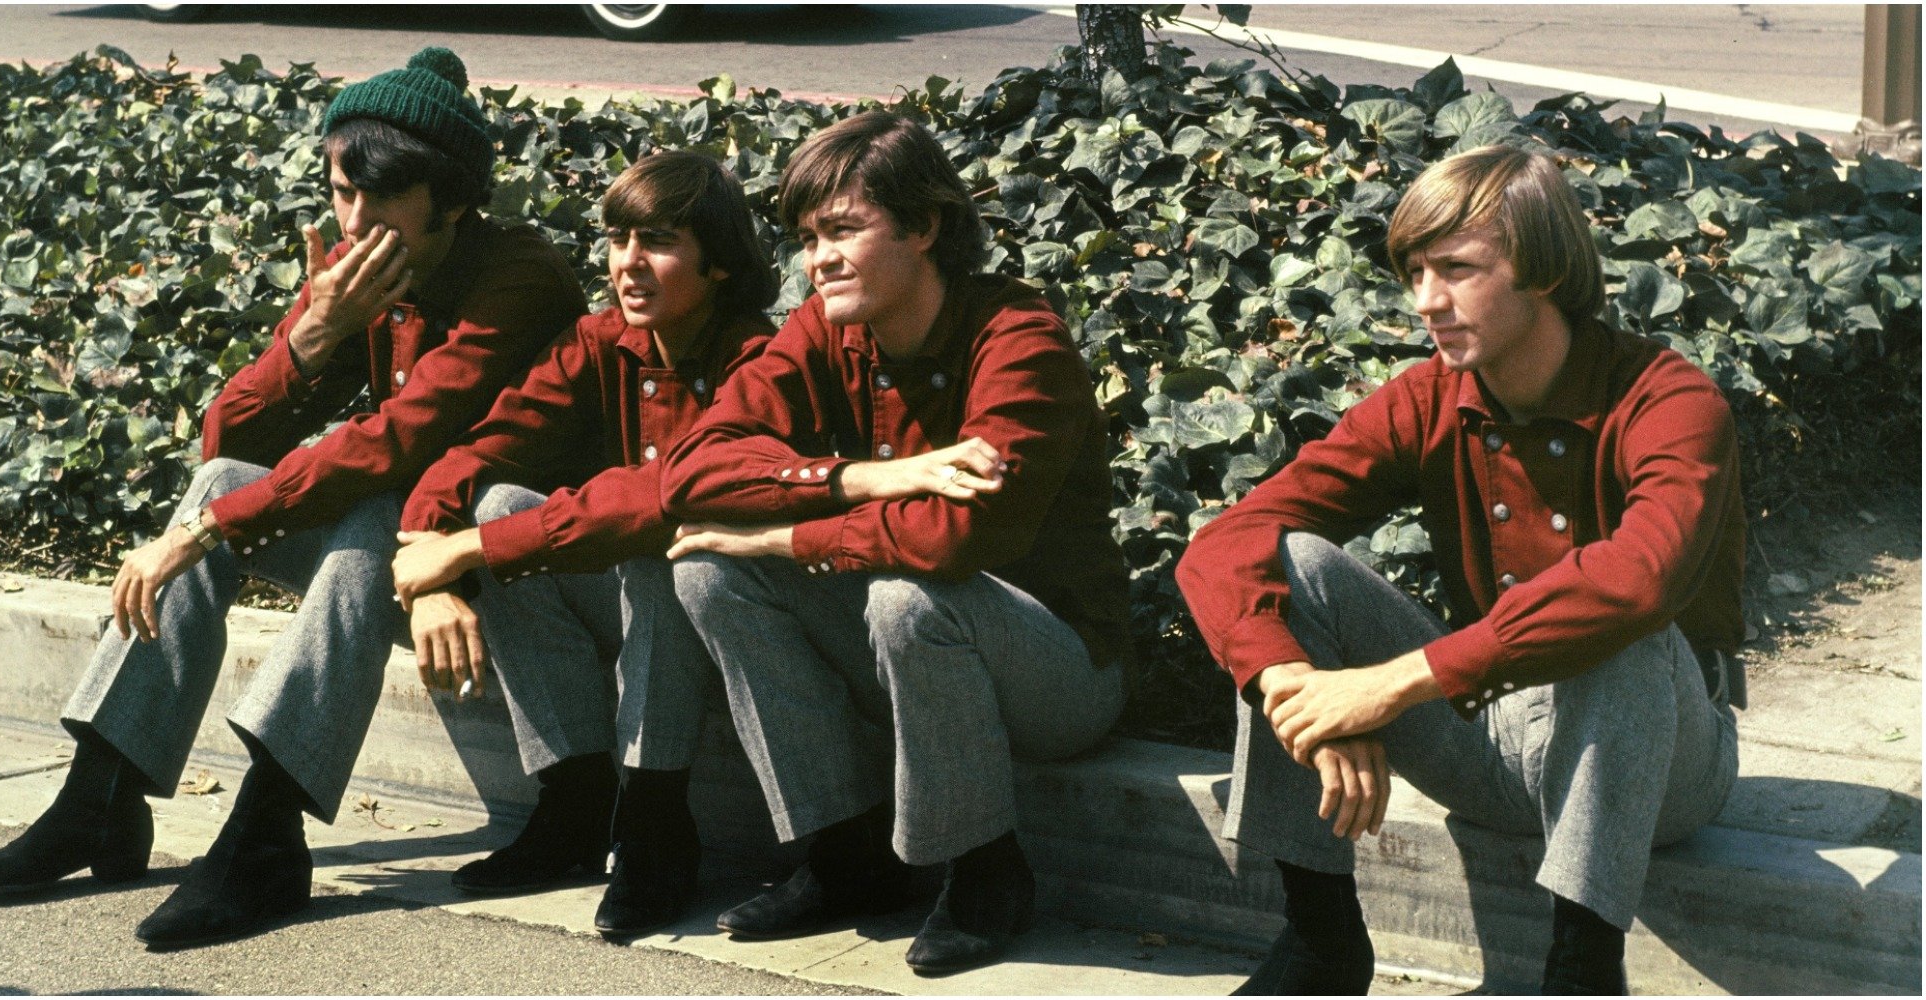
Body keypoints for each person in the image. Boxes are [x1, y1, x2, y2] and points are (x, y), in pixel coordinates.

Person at [0, 47, 588, 951]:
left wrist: (202, 533)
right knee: (223, 484)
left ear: (448, 195)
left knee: (363, 516)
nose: (355, 220)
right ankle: (102, 794)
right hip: (404, 557)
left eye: (381, 196)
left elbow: (400, 440)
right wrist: (315, 337)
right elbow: (229, 442)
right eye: (339, 191)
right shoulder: (358, 273)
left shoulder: (516, 275)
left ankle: (266, 830)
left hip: (504, 564)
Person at [1176, 144, 1745, 995]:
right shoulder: (1429, 396)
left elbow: (1639, 579)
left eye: (1457, 269)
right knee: (1289, 563)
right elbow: (1229, 540)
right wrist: (1306, 694)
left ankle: (1583, 970)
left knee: (1617, 624)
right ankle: (1320, 941)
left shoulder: (1670, 400)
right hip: (1491, 739)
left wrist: (1391, 685)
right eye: (1414, 272)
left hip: (1660, 763)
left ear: (1544, 268)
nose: (1425, 302)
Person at [658, 109, 1131, 976]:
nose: (818, 260)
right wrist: (858, 479)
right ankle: (845, 859)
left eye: (843, 230)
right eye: (807, 237)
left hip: (1059, 673)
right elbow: (690, 472)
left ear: (923, 226)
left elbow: (953, 539)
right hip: (905, 648)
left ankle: (985, 873)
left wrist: (786, 537)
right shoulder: (824, 327)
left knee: (909, 595)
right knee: (711, 572)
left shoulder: (1019, 338)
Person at [387, 150, 778, 937]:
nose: (629, 263)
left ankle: (656, 826)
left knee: (661, 544)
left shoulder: (758, 357)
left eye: (659, 241)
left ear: (721, 264)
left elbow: (667, 495)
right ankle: (572, 803)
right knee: (497, 502)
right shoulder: (599, 340)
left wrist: (467, 553)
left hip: (745, 622)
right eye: (617, 238)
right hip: (641, 620)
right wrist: (429, 561)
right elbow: (481, 451)